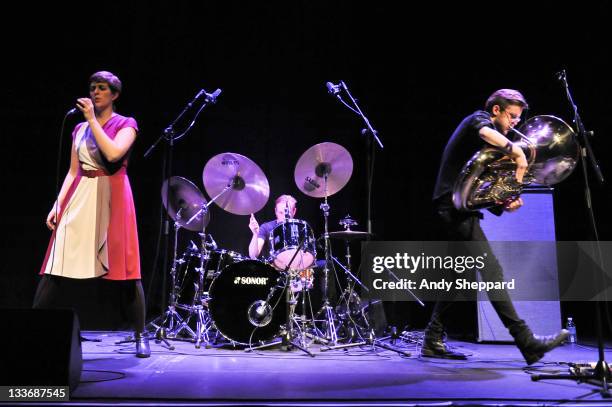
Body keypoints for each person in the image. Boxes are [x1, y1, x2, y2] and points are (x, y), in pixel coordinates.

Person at [425, 88, 568, 365]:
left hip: (459, 208)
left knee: (458, 277)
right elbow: (485, 134)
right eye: (512, 116)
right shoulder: (477, 121)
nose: (516, 122)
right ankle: (527, 341)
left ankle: (432, 339)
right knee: (492, 271)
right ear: (496, 110)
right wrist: (518, 153)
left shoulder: (493, 140)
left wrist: (502, 202)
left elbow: (481, 185)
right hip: (451, 207)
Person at [34, 71, 150, 358]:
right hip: (81, 193)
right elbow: (73, 170)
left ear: (114, 94)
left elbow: (112, 154)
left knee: (126, 270)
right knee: (55, 263)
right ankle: (31, 327)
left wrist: (92, 122)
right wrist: (57, 204)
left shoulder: (126, 124)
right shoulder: (78, 130)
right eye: (92, 88)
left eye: (102, 88)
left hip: (113, 195)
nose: (95, 92)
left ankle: (140, 334)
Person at [248, 194, 298, 260]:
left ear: (294, 211)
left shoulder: (301, 227)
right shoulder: (266, 227)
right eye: (280, 212)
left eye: (287, 213)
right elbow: (253, 255)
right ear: (275, 211)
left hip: (296, 267)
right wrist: (255, 234)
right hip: (272, 269)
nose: (284, 217)